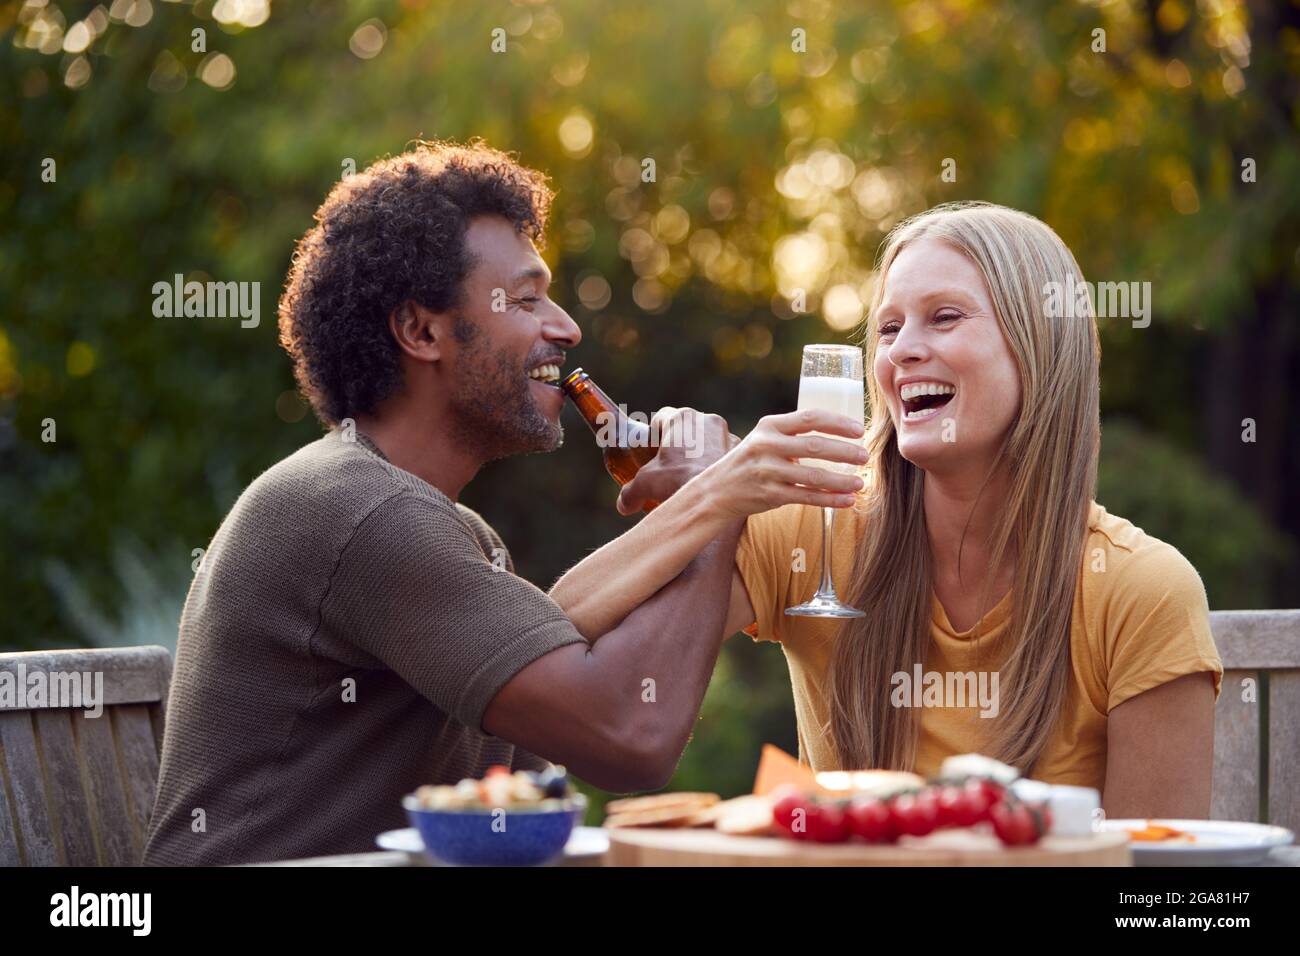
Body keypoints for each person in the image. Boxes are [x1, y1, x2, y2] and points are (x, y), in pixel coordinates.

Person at [142, 140, 864, 865]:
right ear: (421, 330)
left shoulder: (449, 530)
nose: (566, 327)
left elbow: (531, 793)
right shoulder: (358, 513)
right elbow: (631, 739)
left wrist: (704, 502)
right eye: (524, 299)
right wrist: (716, 501)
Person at [553, 202, 1224, 819]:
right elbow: (557, 636)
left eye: (945, 316)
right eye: (889, 328)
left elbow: (1160, 899)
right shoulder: (812, 531)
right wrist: (714, 493)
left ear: (1040, 346)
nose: (900, 352)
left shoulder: (1140, 591)